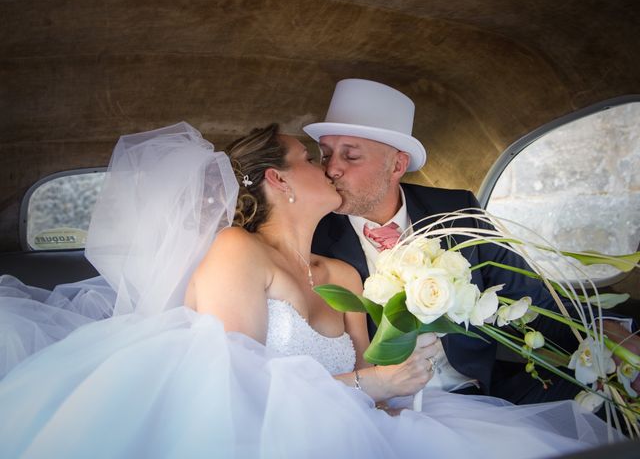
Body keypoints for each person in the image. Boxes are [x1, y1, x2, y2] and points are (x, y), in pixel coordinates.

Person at [0, 122, 623, 458]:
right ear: (279, 178)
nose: (328, 168)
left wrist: (403, 371)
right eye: (313, 157)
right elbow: (227, 385)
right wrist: (368, 386)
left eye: (339, 157)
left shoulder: (343, 275)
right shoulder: (234, 254)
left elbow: (372, 385)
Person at [307, 78, 640, 404]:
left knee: (606, 397)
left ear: (397, 164)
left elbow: (536, 300)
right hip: (381, 403)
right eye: (325, 155)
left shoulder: (456, 210)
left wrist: (610, 334)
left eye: (350, 156)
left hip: (476, 392)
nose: (331, 169)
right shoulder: (314, 233)